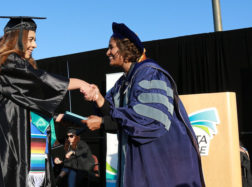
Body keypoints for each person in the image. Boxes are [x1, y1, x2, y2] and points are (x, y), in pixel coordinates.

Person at [82, 22, 205, 187]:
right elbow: (114, 116)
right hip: (139, 164)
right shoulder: (123, 83)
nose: (107, 52)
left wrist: (103, 122)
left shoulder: (150, 74)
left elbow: (149, 121)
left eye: (111, 47)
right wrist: (98, 97)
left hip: (159, 163)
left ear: (125, 49)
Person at [0, 16, 94, 187]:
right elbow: (42, 81)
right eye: (30, 39)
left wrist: (54, 118)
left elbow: (31, 101)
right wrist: (80, 83)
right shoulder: (6, 62)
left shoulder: (17, 66)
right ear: (16, 39)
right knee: (14, 178)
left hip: (18, 137)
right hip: (8, 139)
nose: (35, 45)